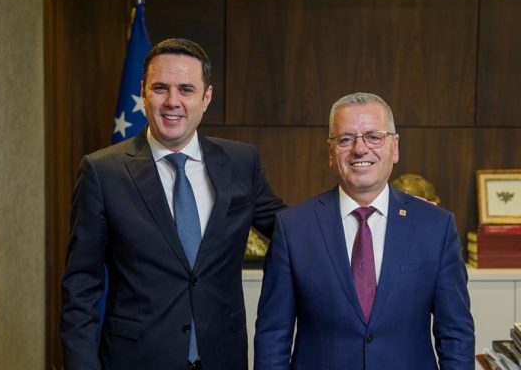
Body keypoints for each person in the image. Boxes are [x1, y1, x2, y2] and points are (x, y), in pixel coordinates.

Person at [61, 38, 285, 370]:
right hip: (136, 361)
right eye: (160, 88)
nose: (172, 102)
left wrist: (355, 206)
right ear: (143, 92)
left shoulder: (241, 162)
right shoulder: (102, 172)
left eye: (186, 90)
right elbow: (80, 286)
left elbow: (290, 231)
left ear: (207, 97)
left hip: (222, 358)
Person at [254, 92, 474, 369]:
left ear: (395, 147)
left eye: (374, 137)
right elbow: (273, 337)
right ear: (331, 152)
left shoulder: (435, 227)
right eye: (345, 139)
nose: (360, 149)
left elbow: (455, 336)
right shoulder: (293, 228)